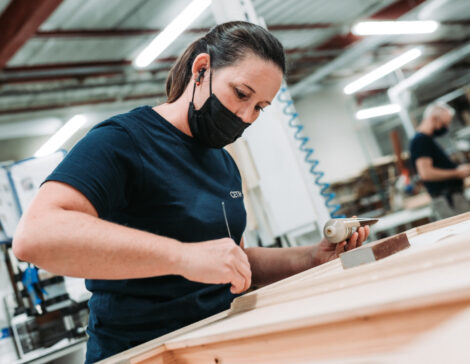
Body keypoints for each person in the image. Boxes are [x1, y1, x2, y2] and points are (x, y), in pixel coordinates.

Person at [12, 21, 370, 363]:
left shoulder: (224, 164)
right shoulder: (123, 140)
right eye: (241, 94)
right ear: (201, 70)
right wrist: (182, 256)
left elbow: (232, 259)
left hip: (212, 346)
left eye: (259, 107)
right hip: (141, 354)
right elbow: (36, 236)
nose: (245, 116)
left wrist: (310, 259)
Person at [410, 102, 470, 218]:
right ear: (433, 119)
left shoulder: (428, 140)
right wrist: (457, 173)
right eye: (444, 124)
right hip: (447, 200)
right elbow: (426, 173)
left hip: (452, 198)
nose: (445, 128)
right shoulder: (420, 141)